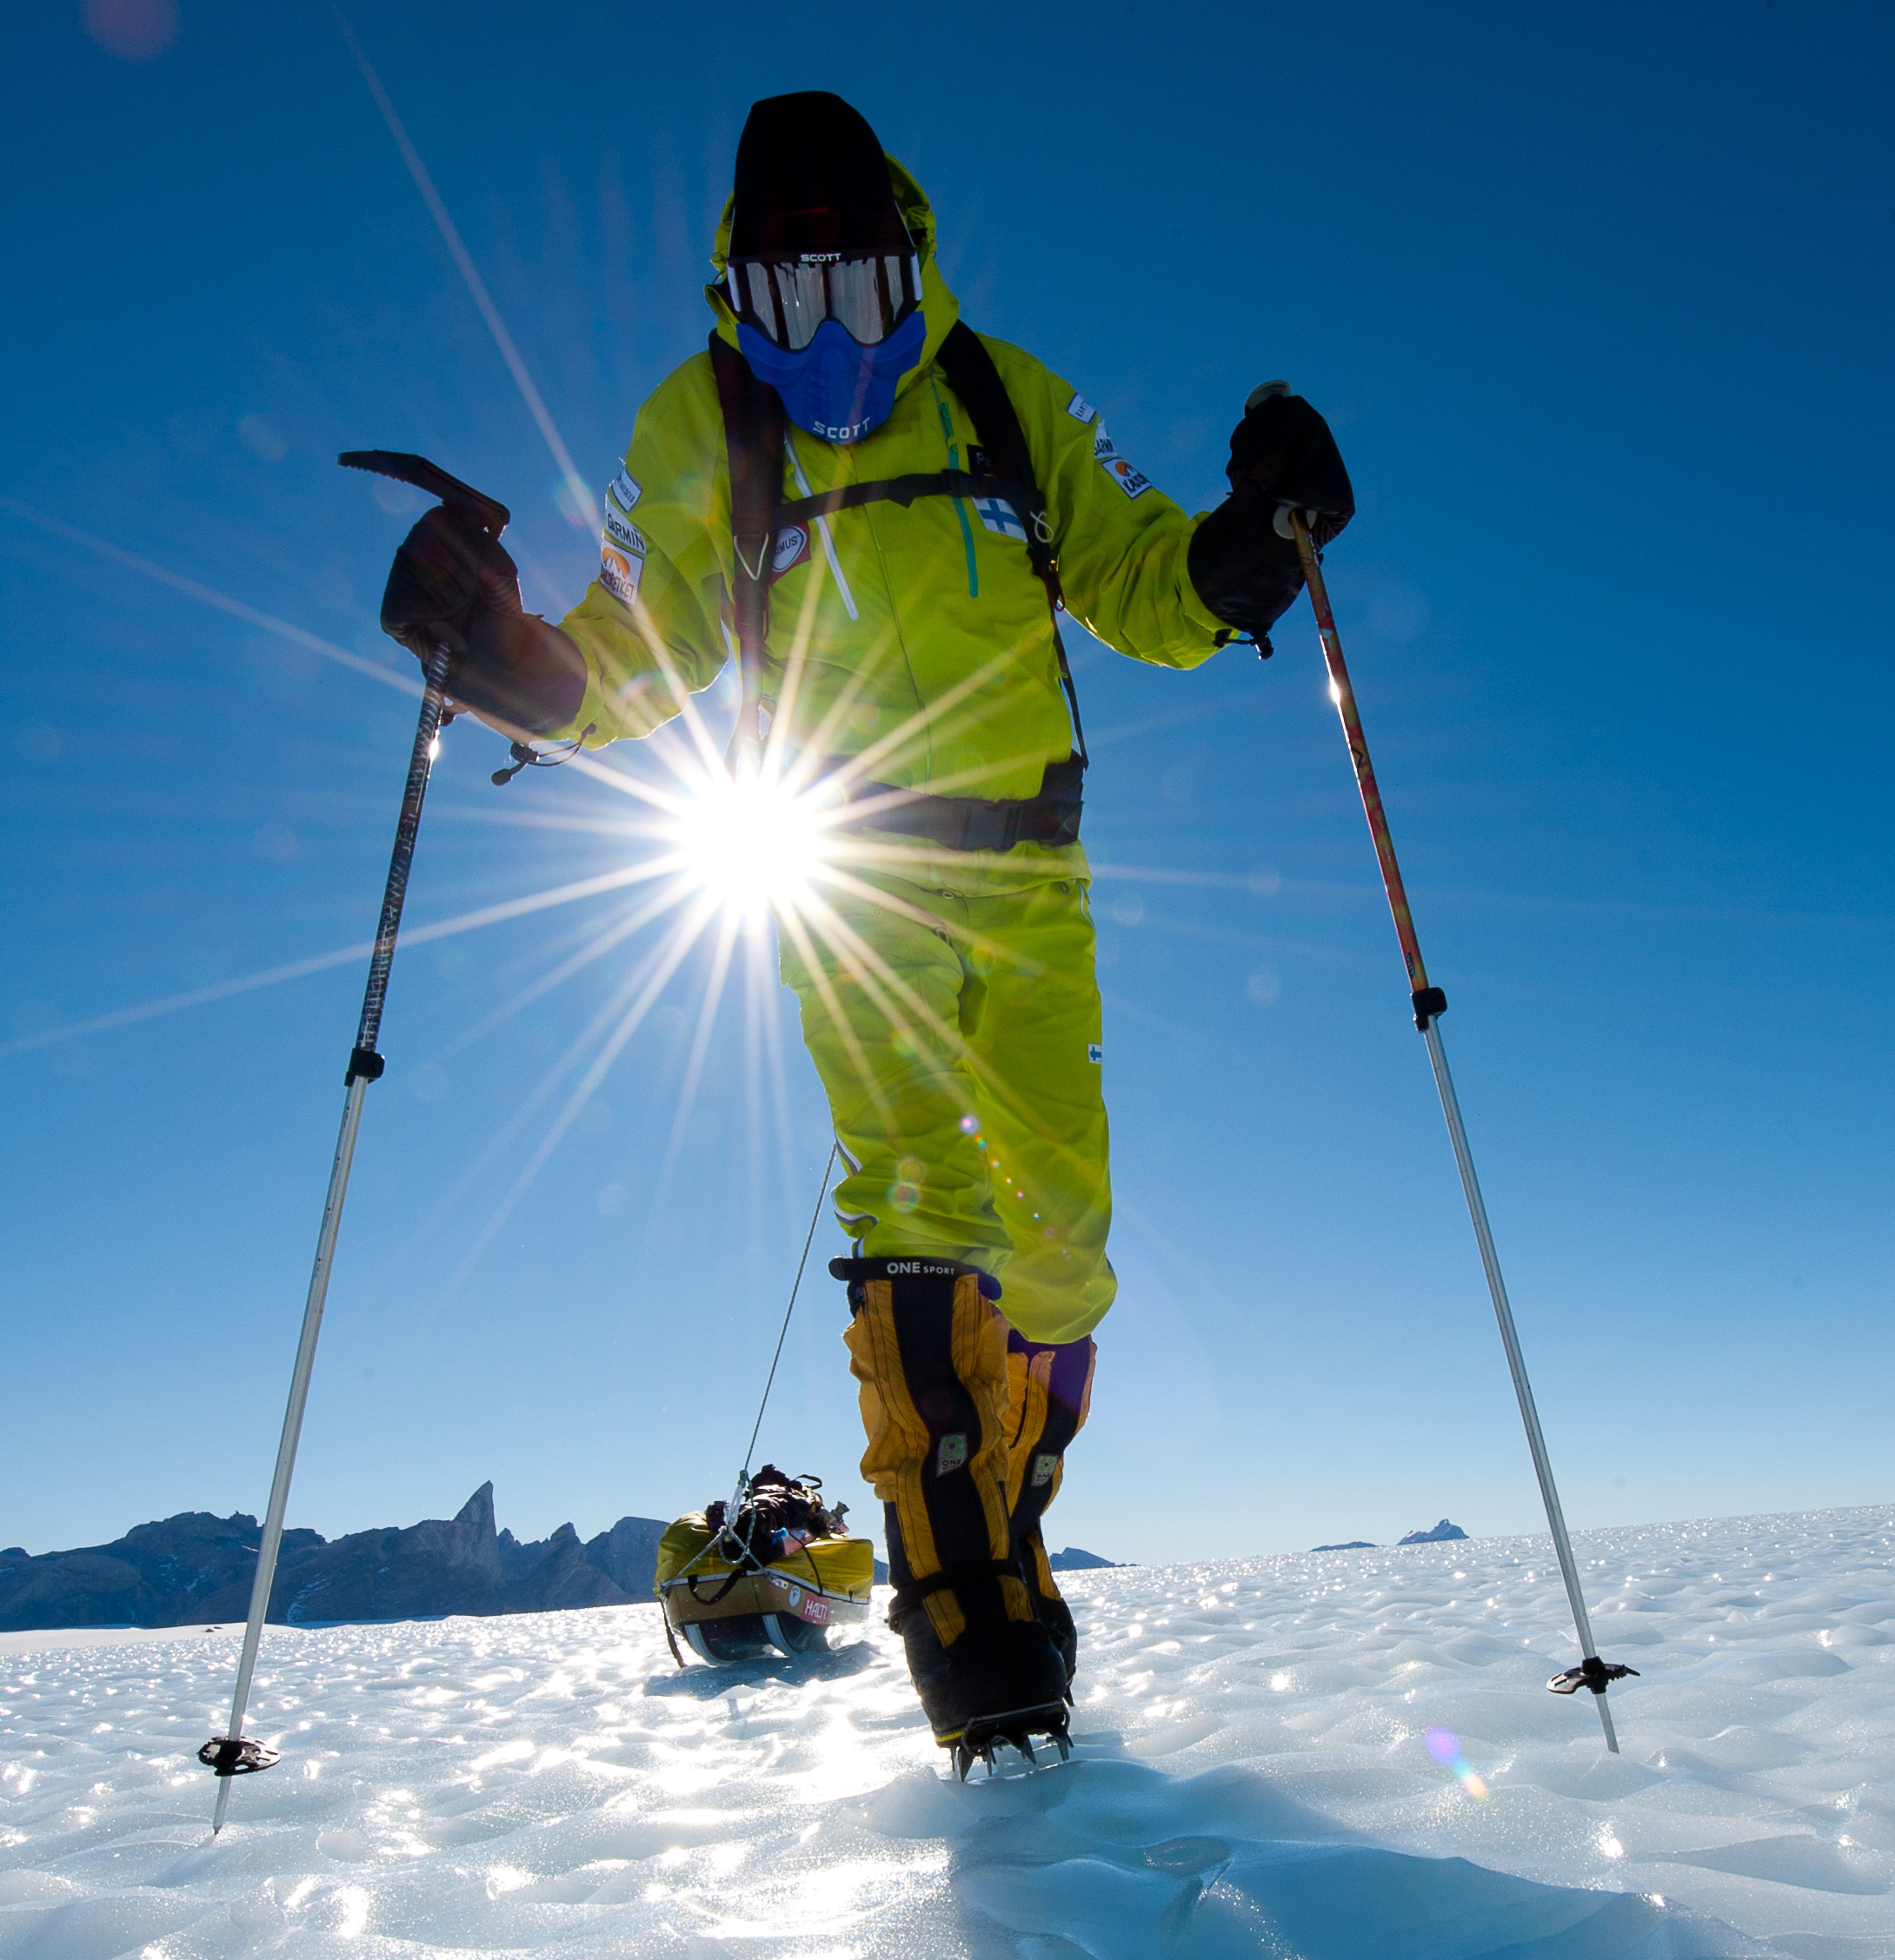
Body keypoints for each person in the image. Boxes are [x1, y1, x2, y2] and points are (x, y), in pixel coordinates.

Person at [377, 91, 1352, 1766]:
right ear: (738, 289)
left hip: (1029, 870)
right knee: (913, 1204)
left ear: (908, 261)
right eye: (785, 294)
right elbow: (643, 646)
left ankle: (1002, 1516)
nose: (823, 331)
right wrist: (504, 660)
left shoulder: (1004, 391)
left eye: (854, 285)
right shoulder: (701, 424)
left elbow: (1137, 581)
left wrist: (1249, 548)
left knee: (1060, 1249)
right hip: (837, 868)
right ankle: (973, 1634)